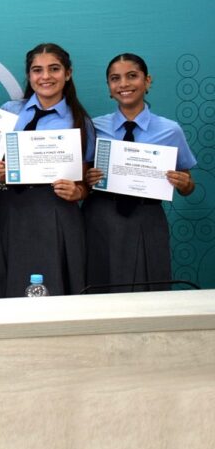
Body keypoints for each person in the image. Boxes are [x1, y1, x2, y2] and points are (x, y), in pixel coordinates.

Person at [83, 53, 196, 291]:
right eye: (115, 78)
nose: (124, 84)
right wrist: (88, 178)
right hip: (101, 216)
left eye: (132, 76)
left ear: (147, 81)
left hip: (147, 217)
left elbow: (188, 185)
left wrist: (184, 183)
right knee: (100, 284)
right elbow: (83, 175)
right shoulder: (95, 126)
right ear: (109, 87)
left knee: (149, 285)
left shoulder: (170, 130)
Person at [0, 43, 94, 297]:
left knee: (58, 285)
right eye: (37, 70)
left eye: (54, 69)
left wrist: (78, 192)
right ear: (29, 75)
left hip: (57, 213)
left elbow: (88, 182)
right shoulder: (9, 112)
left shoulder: (80, 121)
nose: (45, 77)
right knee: (12, 283)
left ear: (68, 73)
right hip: (13, 211)